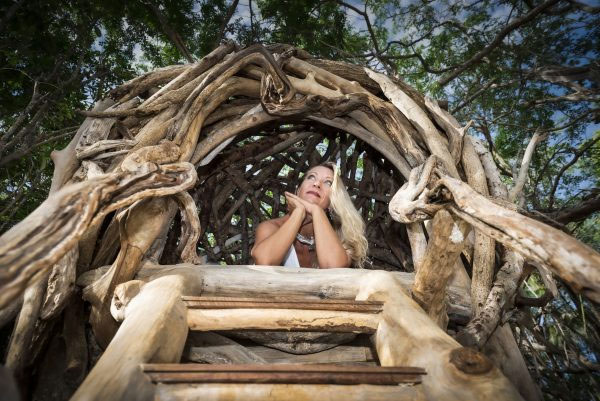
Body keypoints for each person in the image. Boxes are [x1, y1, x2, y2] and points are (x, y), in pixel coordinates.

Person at [251, 162, 368, 268]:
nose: (317, 183)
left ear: (333, 202)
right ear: (298, 190)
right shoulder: (271, 228)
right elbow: (265, 261)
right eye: (311, 177)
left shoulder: (341, 239)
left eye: (328, 182)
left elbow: (332, 267)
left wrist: (317, 211)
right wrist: (298, 213)